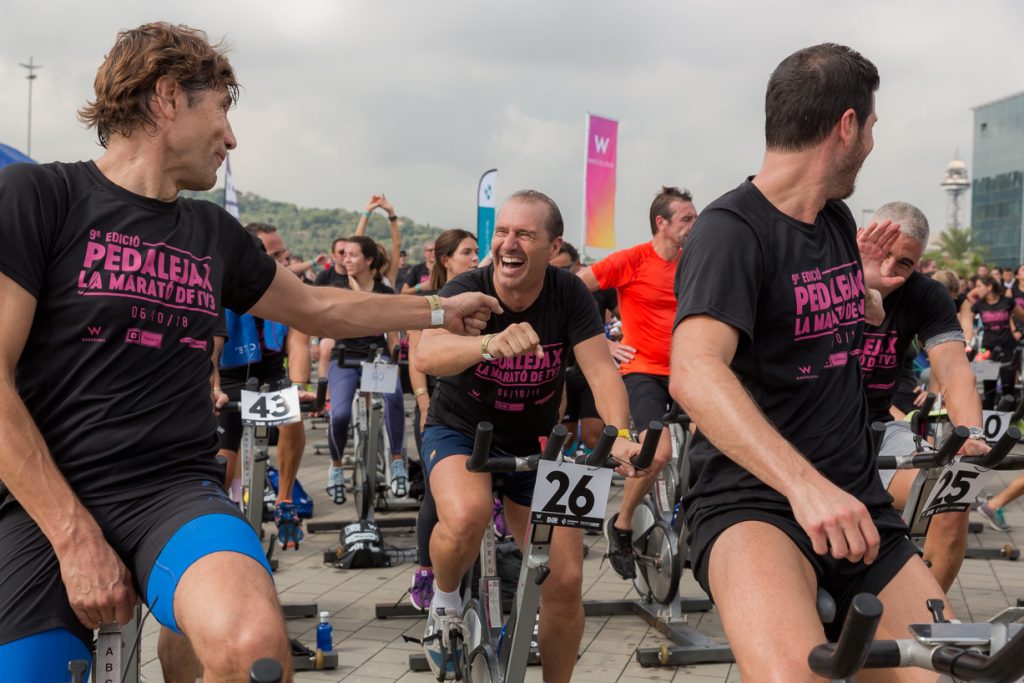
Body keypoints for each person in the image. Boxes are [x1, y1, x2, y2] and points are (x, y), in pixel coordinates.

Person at [0, 22, 498, 683]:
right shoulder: (40, 197)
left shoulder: (211, 230)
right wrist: (72, 535)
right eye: (223, 109)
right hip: (43, 500)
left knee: (255, 647)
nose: (231, 138)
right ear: (169, 96)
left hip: (172, 492)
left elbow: (319, 308)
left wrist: (439, 307)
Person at [670, 43, 951, 681]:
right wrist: (803, 486)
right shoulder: (730, 229)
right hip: (754, 503)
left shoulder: (836, 220)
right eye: (874, 125)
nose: (875, 140)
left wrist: (869, 291)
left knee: (945, 672)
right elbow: (693, 371)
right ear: (846, 125)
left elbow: (837, 312)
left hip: (857, 501)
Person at [415, 190, 645, 683]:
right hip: (459, 431)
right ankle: (446, 599)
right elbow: (426, 355)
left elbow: (602, 372)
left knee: (564, 581)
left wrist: (621, 435)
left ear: (552, 246)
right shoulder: (468, 286)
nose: (508, 243)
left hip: (535, 442)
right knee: (468, 514)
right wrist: (488, 344)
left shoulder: (568, 294)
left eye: (524, 234)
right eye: (502, 232)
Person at [857, 202, 988, 592]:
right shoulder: (829, 274)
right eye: (884, 253)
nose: (890, 270)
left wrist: (970, 432)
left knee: (951, 496)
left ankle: (924, 619)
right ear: (864, 239)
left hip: (877, 428)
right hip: (811, 432)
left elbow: (952, 368)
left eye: (905, 263)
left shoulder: (926, 295)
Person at [577, 186, 698, 579]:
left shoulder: (693, 262)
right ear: (661, 223)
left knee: (721, 445)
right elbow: (572, 290)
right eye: (687, 219)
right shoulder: (632, 260)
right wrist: (602, 344)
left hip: (688, 370)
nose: (694, 225)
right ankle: (623, 524)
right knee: (656, 453)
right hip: (643, 370)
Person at [214, 222, 317, 551]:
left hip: (271, 370)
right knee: (222, 456)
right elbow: (208, 351)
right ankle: (223, 512)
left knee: (292, 418)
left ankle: (285, 499)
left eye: (283, 254)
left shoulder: (288, 286)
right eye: (275, 256)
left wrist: (299, 385)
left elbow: (299, 342)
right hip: (228, 376)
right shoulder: (220, 286)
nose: (283, 262)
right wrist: (213, 388)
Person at [406, 228, 480, 611]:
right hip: (437, 409)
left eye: (476, 251)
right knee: (436, 497)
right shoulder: (430, 303)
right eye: (466, 251)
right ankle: (424, 568)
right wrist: (422, 404)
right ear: (446, 259)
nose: (474, 257)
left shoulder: (485, 297)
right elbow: (416, 362)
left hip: (478, 409)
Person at [317, 236, 409, 499]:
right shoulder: (337, 287)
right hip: (343, 357)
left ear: (369, 260)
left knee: (393, 397)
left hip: (375, 357)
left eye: (353, 255)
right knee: (342, 413)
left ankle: (396, 461)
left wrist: (395, 361)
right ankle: (335, 467)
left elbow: (392, 337)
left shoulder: (385, 292)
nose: (346, 259)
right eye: (343, 254)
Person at [550, 241, 618, 452]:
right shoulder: (547, 292)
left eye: (565, 269)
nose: (560, 274)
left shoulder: (598, 289)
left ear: (578, 264)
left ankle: (601, 475)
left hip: (590, 371)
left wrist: (617, 338)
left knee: (592, 435)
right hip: (561, 372)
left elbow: (626, 314)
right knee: (564, 439)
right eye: (554, 269)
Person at [964, 275, 1024, 409]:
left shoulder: (1008, 302)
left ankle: (1012, 424)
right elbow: (967, 306)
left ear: (989, 287)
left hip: (1008, 349)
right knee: (989, 390)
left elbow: (1022, 316)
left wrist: (1019, 331)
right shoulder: (979, 305)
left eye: (979, 286)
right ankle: (988, 425)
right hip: (988, 350)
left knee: (1008, 388)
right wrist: (975, 292)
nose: (977, 289)